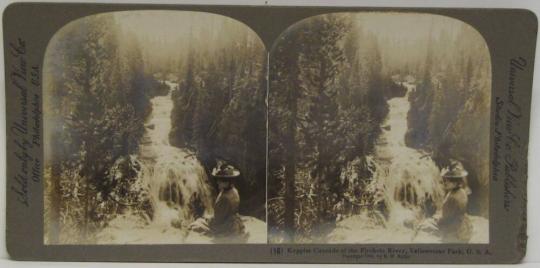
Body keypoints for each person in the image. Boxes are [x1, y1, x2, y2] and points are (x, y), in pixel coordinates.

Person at [189, 163, 246, 240]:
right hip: (232, 220)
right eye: (218, 179)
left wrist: (205, 219)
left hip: (226, 225)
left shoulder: (225, 198)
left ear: (227, 182)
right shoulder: (233, 190)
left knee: (194, 225)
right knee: (201, 220)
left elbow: (218, 220)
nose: (217, 182)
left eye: (221, 180)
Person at [437, 161, 473, 243]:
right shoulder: (461, 191)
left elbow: (448, 218)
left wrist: (439, 222)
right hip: (463, 224)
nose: (445, 182)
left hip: (455, 229)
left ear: (456, 183)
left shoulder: (453, 197)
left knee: (425, 226)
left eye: (448, 181)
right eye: (445, 180)